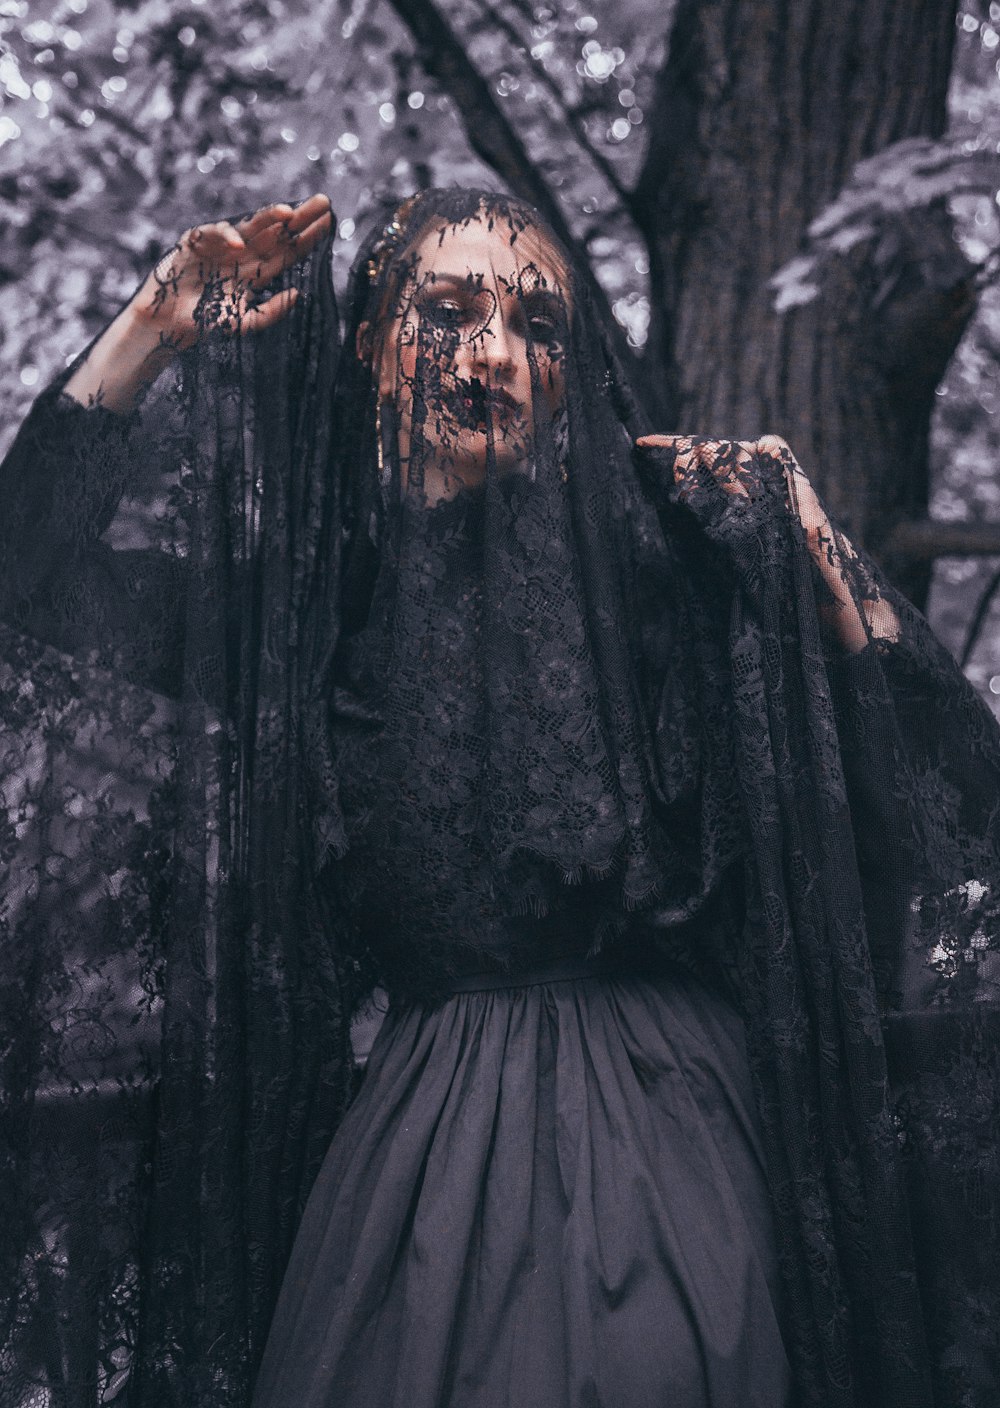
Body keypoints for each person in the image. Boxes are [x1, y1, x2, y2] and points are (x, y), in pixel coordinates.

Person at [0, 187, 997, 1408]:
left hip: (670, 1143)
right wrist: (156, 321)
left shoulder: (664, 572)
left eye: (537, 325)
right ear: (370, 348)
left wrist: (805, 542)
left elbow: (946, 782)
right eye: (448, 308)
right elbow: (31, 572)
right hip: (411, 1161)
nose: (495, 353)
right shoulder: (306, 613)